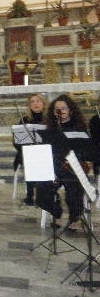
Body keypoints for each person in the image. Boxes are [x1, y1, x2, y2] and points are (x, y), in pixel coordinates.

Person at [35, 95, 100, 230]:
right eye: (57, 109)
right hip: (55, 167)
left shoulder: (79, 128)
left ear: (70, 110)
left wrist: (86, 158)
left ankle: (74, 217)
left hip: (73, 167)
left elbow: (90, 152)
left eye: (64, 108)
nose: (60, 111)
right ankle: (56, 212)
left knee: (73, 190)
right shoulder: (50, 130)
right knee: (42, 190)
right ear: (53, 112)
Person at [13, 94, 47, 206]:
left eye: (38, 101)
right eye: (32, 102)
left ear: (44, 104)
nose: (36, 104)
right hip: (29, 153)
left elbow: (55, 139)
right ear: (29, 105)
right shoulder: (24, 120)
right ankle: (30, 195)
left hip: (47, 152)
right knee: (29, 157)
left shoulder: (50, 119)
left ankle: (42, 193)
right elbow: (16, 142)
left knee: (37, 157)